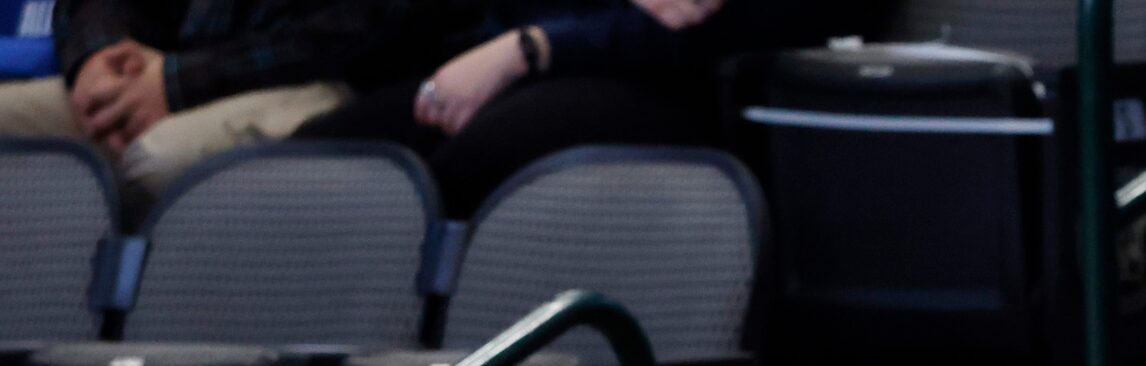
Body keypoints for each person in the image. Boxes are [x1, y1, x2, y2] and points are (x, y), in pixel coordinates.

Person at [295, 0, 849, 216]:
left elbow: (689, 23)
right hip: (539, 50)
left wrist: (533, 47)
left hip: (686, 80)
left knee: (469, 163)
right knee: (317, 160)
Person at [0, 0, 425, 206]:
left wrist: (177, 84)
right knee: (9, 119)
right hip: (161, 68)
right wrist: (99, 53)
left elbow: (362, 28)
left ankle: (131, 328)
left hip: (328, 77)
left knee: (160, 160)